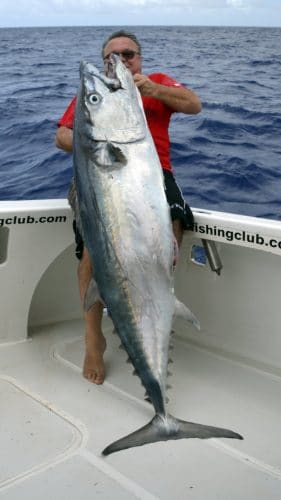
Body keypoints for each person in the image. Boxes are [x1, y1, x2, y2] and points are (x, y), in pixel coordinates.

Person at [55, 30, 202, 385]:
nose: (120, 61)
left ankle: (155, 308)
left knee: (166, 242)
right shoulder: (96, 95)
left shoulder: (158, 83)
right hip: (102, 175)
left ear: (140, 58)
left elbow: (193, 104)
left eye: (128, 54)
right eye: (112, 56)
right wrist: (94, 141)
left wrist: (151, 89)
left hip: (154, 176)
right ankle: (94, 337)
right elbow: (62, 135)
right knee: (92, 252)